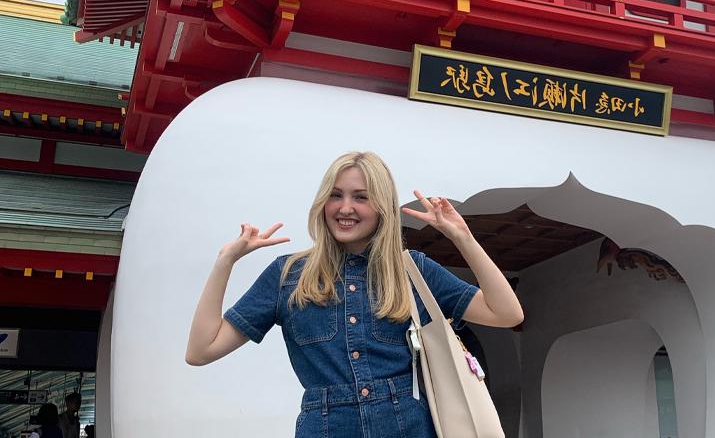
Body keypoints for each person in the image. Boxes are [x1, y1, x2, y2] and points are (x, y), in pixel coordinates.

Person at [186, 151, 524, 437]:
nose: (345, 207)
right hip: (325, 426)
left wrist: (463, 238)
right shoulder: (287, 275)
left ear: (381, 207)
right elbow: (201, 350)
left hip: (408, 424)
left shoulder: (410, 269)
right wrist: (224, 262)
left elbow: (507, 313)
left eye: (360, 197)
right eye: (336, 195)